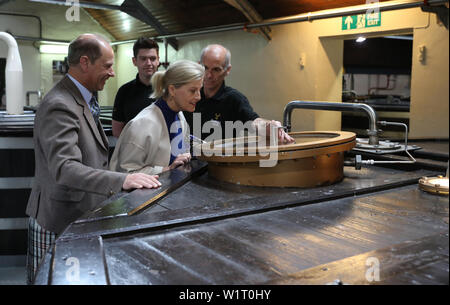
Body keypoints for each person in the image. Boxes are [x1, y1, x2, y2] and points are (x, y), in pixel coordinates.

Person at [25, 33, 161, 284]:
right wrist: (123, 180)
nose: (112, 73)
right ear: (85, 63)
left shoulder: (83, 98)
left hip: (76, 215)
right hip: (57, 218)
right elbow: (65, 168)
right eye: (107, 66)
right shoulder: (60, 104)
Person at [183, 44, 294, 144]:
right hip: (190, 162)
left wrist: (269, 126)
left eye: (216, 70)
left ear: (227, 70)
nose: (209, 75)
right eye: (205, 68)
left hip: (219, 163)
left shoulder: (233, 99)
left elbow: (254, 121)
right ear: (198, 65)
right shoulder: (189, 95)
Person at [110, 60, 204, 174]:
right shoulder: (142, 124)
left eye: (199, 90)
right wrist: (167, 169)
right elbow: (126, 172)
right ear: (172, 90)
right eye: (193, 90)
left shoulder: (178, 115)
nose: (198, 97)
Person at [112, 37, 160, 137]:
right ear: (134, 61)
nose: (149, 63)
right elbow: (117, 131)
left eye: (152, 58)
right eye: (143, 59)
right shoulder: (124, 92)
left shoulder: (169, 89)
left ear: (158, 60)